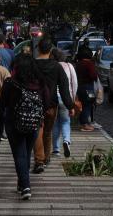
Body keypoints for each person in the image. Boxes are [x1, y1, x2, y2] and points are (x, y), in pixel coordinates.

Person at [0, 54, 49, 200]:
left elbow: (2, 103)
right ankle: (22, 183)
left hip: (14, 123)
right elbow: (46, 102)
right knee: (26, 153)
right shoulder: (40, 83)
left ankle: (26, 186)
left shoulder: (10, 83)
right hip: (34, 123)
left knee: (20, 155)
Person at [33, 38, 75, 174]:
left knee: (37, 131)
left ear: (38, 48)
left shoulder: (32, 64)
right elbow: (64, 88)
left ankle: (39, 161)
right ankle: (46, 157)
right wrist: (70, 106)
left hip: (35, 103)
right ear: (50, 50)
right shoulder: (57, 66)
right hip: (51, 104)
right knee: (47, 132)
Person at [50, 49, 78, 158]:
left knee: (55, 124)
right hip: (65, 98)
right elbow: (74, 83)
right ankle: (66, 141)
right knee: (66, 122)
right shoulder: (69, 66)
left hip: (53, 98)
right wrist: (72, 99)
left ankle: (56, 150)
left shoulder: (51, 66)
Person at [75, 48, 98, 132]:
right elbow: (93, 76)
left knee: (82, 104)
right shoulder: (89, 64)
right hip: (88, 87)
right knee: (88, 104)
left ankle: (84, 122)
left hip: (79, 87)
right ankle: (84, 124)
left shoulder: (78, 64)